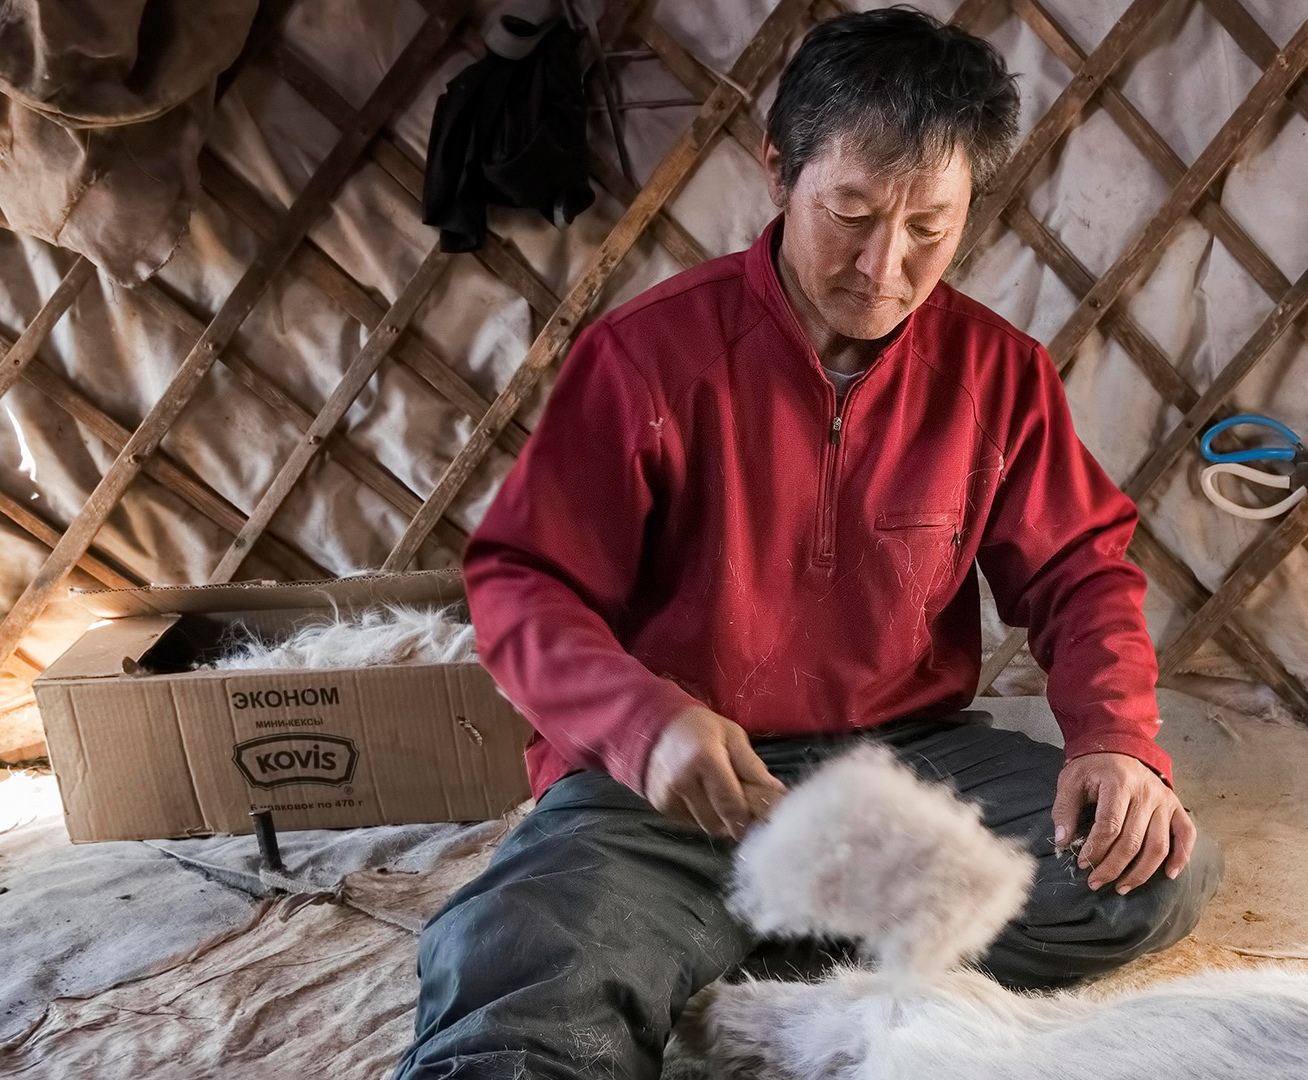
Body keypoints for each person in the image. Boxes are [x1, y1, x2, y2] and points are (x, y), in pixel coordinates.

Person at [395, 9, 1221, 1079]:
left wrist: (1116, 739)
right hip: (676, 782)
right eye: (852, 214)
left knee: (1143, 876)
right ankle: (714, 918)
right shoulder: (647, 358)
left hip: (898, 768)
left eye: (930, 227)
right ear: (779, 172)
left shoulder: (997, 372)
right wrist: (646, 725)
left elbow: (1079, 570)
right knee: (520, 963)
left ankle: (724, 933)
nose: (886, 266)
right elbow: (522, 584)